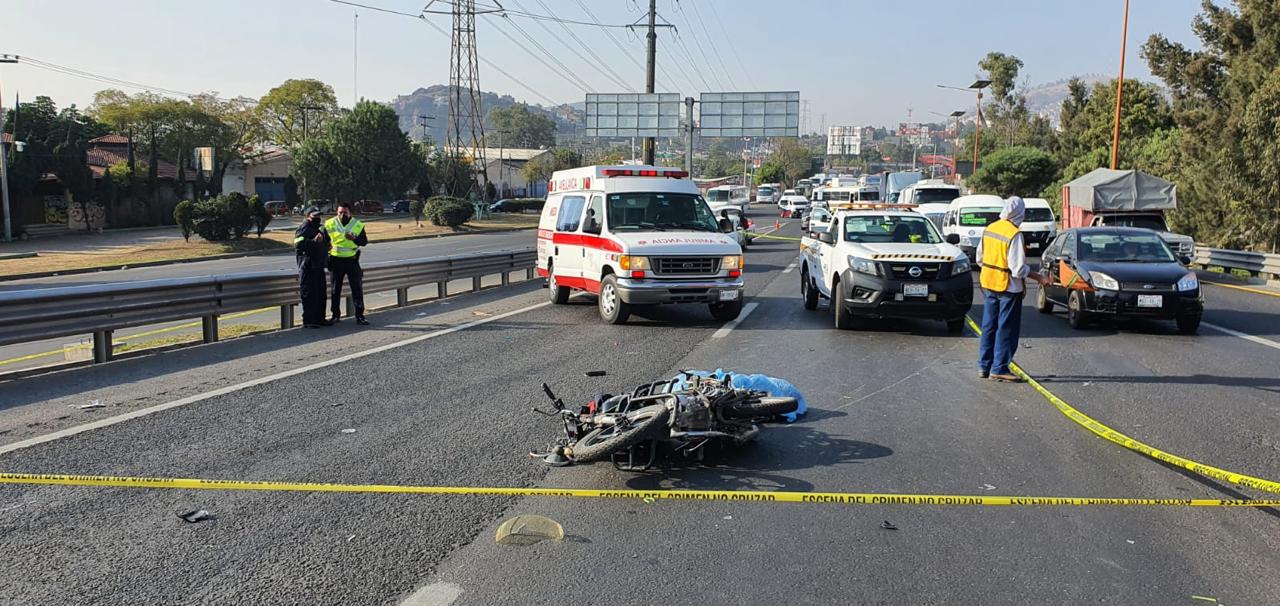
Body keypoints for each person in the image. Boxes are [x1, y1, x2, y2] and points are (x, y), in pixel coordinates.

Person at [976, 196, 1049, 382]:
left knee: (989, 326)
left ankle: (984, 366)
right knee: (1006, 328)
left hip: (989, 284)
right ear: (1019, 214)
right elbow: (1017, 269)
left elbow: (979, 259)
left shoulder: (990, 228)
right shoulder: (1014, 234)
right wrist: (1039, 277)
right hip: (1008, 287)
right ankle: (999, 368)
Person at [325, 202, 370, 325]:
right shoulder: (329, 223)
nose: (342, 215)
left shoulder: (357, 225)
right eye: (340, 212)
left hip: (352, 260)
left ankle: (360, 315)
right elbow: (325, 240)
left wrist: (354, 239)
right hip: (335, 260)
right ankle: (335, 315)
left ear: (350, 213)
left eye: (345, 212)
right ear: (336, 212)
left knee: (357, 288)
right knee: (335, 290)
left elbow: (364, 242)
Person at [294, 207, 330, 329]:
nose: (317, 218)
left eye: (319, 216)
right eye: (314, 216)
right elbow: (298, 245)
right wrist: (313, 242)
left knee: (321, 294)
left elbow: (326, 243)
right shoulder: (303, 228)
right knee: (310, 294)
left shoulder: (320, 228)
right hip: (308, 266)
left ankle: (320, 319)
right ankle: (309, 320)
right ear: (307, 216)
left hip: (319, 266)